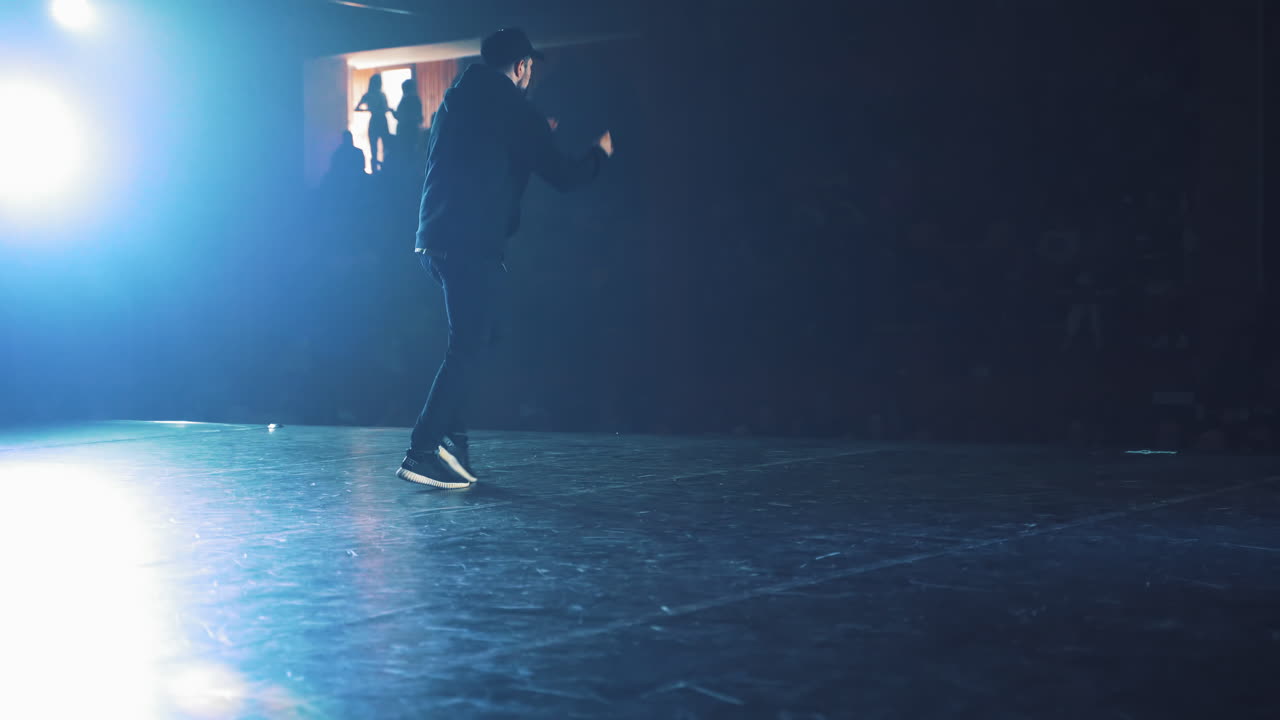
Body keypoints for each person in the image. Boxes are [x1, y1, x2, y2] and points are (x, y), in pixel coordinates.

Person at [397, 28, 613, 488]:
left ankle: (452, 439)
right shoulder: (514, 108)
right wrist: (600, 155)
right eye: (529, 68)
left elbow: (475, 154)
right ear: (521, 66)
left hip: (434, 237)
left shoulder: (456, 100)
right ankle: (423, 450)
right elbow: (564, 176)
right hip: (470, 242)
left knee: (485, 333)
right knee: (469, 343)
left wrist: (529, 135)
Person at [354, 74, 391, 173]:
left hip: (374, 120)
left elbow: (357, 108)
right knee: (385, 147)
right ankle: (385, 169)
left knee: (373, 148)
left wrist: (368, 109)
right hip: (382, 121)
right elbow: (386, 108)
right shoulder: (381, 95)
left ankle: (374, 170)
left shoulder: (368, 95)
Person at [393, 78, 425, 163]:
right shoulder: (416, 100)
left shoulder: (405, 100)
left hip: (404, 130)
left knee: (405, 153)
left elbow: (400, 116)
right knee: (412, 153)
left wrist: (392, 112)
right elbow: (420, 117)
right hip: (413, 129)